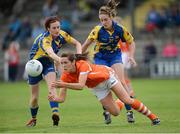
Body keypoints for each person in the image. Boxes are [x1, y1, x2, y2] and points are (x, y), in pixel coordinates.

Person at [48, 53, 160, 125]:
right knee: (115, 112)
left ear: (73, 62)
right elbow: (62, 98)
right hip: (96, 87)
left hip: (107, 76)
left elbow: (81, 86)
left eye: (65, 62)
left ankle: (153, 118)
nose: (63, 65)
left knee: (127, 100)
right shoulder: (65, 76)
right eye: (61, 63)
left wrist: (63, 85)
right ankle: (120, 100)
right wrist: (54, 99)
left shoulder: (82, 65)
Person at [82, 0, 136, 124]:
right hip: (100, 57)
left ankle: (129, 111)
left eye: (105, 19)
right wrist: (77, 56)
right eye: (101, 20)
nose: (103, 22)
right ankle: (106, 110)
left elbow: (131, 42)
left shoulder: (120, 29)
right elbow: (86, 44)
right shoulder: (97, 30)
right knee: (104, 84)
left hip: (115, 56)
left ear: (111, 17)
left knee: (121, 82)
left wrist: (132, 56)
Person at [26, 16, 82, 127]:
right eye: (54, 28)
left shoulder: (62, 34)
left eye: (58, 27)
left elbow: (77, 43)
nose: (57, 30)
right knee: (34, 98)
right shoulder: (45, 39)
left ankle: (55, 113)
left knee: (52, 87)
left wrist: (79, 55)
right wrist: (63, 61)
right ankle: (33, 118)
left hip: (47, 63)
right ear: (48, 29)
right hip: (34, 65)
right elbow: (51, 53)